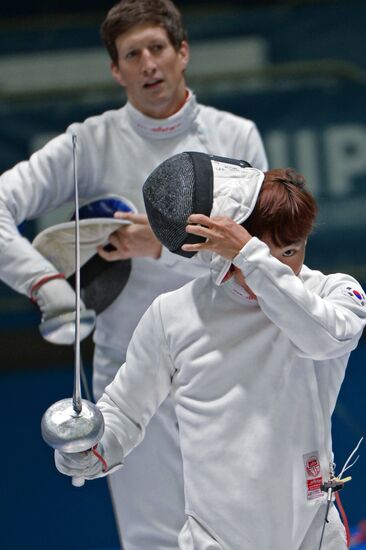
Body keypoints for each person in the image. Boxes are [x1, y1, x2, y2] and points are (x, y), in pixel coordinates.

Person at [0, 1, 268, 548]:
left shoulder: (235, 136)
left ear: (182, 53)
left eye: (157, 48)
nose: (148, 63)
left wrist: (162, 247)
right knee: (154, 538)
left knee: (252, 529)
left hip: (229, 361)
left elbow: (268, 258)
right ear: (115, 70)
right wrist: (44, 283)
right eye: (132, 54)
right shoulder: (86, 144)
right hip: (129, 375)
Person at [55, 154, 366, 550]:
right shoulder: (175, 314)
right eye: (259, 253)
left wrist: (252, 258)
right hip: (215, 538)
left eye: (290, 252)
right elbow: (125, 412)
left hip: (313, 531)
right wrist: (90, 448)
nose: (280, 268)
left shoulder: (332, 294)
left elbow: (325, 339)